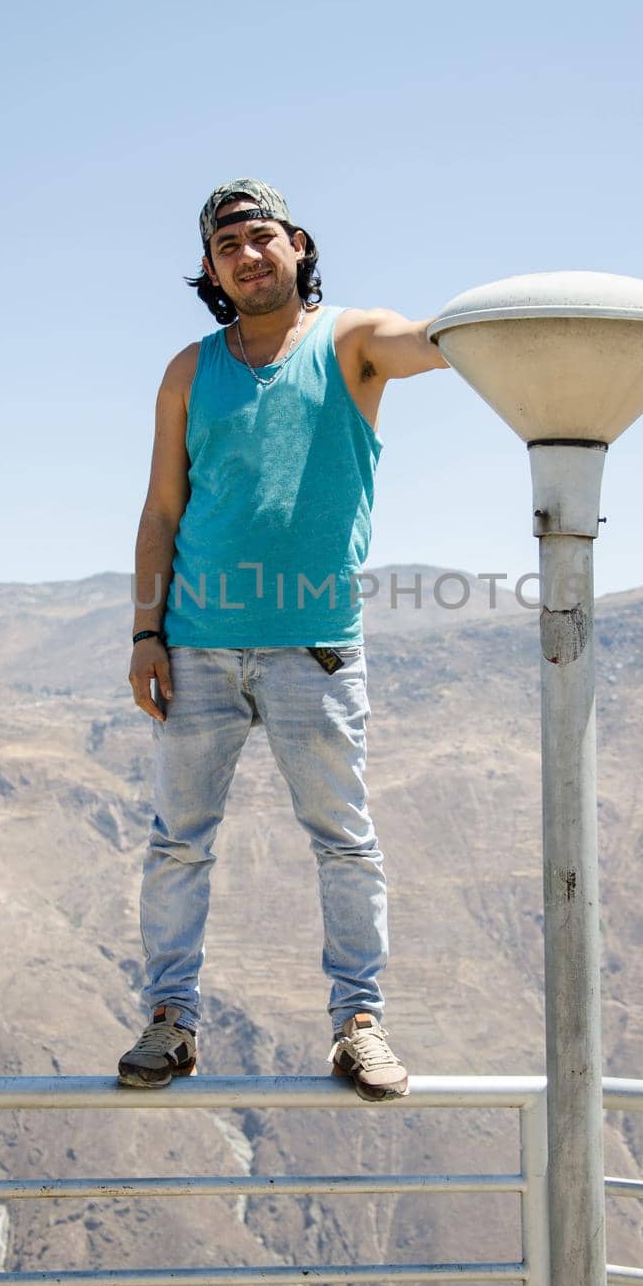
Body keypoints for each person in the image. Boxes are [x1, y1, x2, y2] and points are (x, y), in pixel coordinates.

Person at [117, 179, 450, 1101]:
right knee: (178, 842)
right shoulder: (189, 369)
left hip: (315, 647)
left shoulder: (352, 342)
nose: (246, 255)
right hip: (197, 645)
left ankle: (360, 1024)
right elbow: (162, 508)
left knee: (344, 840)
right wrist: (147, 629)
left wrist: (498, 323)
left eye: (261, 237)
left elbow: (430, 343)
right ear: (212, 270)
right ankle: (170, 1022)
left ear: (297, 245)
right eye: (226, 246)